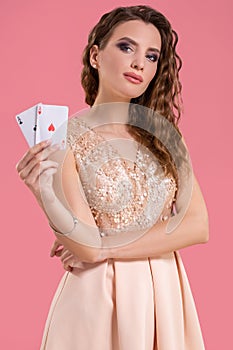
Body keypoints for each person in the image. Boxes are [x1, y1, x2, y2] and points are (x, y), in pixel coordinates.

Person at [16, 5, 209, 350]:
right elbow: (87, 246)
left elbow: (197, 225)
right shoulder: (66, 138)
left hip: (165, 295)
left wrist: (107, 247)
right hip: (97, 298)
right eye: (126, 47)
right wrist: (44, 193)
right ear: (95, 55)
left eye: (152, 56)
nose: (139, 63)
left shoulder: (167, 137)